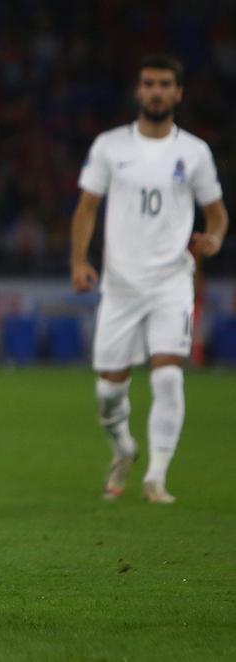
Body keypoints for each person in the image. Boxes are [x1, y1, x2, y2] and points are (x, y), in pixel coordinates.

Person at [70, 53, 227, 504]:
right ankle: (124, 448)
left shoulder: (194, 152)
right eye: (148, 83)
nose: (156, 91)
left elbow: (217, 214)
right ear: (139, 91)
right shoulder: (109, 147)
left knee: (167, 377)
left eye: (164, 84)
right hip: (120, 284)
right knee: (108, 392)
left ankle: (157, 475)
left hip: (171, 281)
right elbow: (87, 208)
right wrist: (79, 261)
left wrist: (213, 238)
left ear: (178, 93)